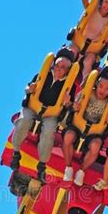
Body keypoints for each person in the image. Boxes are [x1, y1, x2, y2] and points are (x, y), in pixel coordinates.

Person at [10, 48, 77, 183]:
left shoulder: (70, 85)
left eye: (63, 67)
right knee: (23, 121)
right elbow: (29, 87)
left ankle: (42, 165)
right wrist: (29, 89)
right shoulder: (43, 75)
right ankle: (16, 153)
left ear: (68, 70)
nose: (59, 69)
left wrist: (68, 102)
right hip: (34, 108)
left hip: (50, 114)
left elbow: (71, 106)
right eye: (58, 65)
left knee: (48, 131)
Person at [62, 65, 108, 186]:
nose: (102, 90)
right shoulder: (87, 92)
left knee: (96, 146)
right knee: (68, 136)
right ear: (97, 83)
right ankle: (68, 168)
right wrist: (74, 106)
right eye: (101, 86)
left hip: (94, 133)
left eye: (107, 89)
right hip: (78, 127)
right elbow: (74, 105)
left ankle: (81, 170)